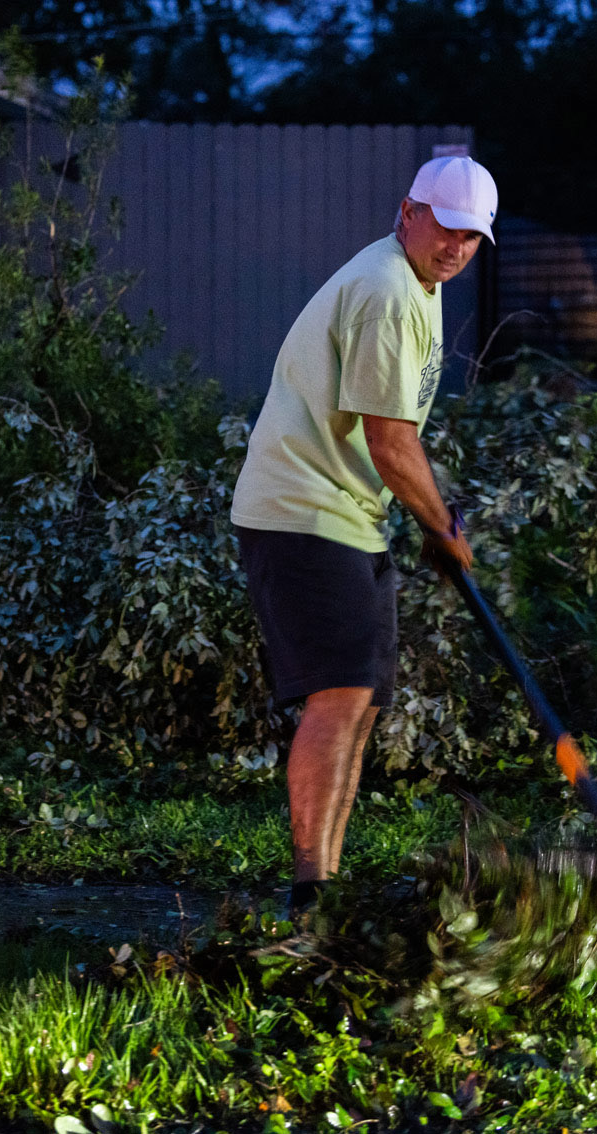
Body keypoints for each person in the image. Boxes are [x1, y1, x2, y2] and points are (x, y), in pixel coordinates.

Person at [230, 155, 497, 914]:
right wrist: (440, 524)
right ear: (407, 211)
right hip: (303, 507)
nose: (455, 248)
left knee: (365, 697)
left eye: (471, 238)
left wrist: (426, 515)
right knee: (340, 694)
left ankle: (328, 881)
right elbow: (389, 440)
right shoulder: (386, 291)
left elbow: (394, 438)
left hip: (349, 509)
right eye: (444, 229)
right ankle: (312, 895)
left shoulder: (422, 282)